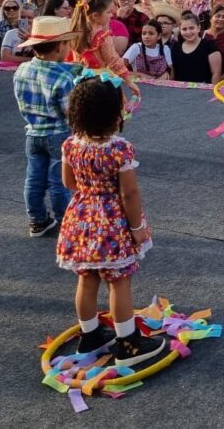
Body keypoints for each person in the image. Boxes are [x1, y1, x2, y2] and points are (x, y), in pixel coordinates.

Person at [56, 74, 165, 366]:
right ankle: (128, 343)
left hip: (81, 219)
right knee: (119, 281)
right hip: (113, 222)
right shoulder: (119, 149)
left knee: (87, 278)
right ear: (114, 113)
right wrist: (137, 228)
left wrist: (91, 193)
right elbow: (129, 194)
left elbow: (68, 181)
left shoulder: (70, 145)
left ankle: (90, 335)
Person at [13, 17, 79, 237]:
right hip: (58, 133)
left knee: (33, 179)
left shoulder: (21, 70)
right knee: (59, 181)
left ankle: (37, 220)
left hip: (32, 132)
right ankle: (65, 221)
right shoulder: (62, 77)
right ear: (60, 46)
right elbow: (70, 112)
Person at [68, 0, 140, 97]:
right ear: (95, 15)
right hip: (100, 80)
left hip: (80, 78)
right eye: (108, 12)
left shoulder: (76, 31)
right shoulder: (103, 36)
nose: (112, 15)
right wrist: (129, 82)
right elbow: (114, 60)